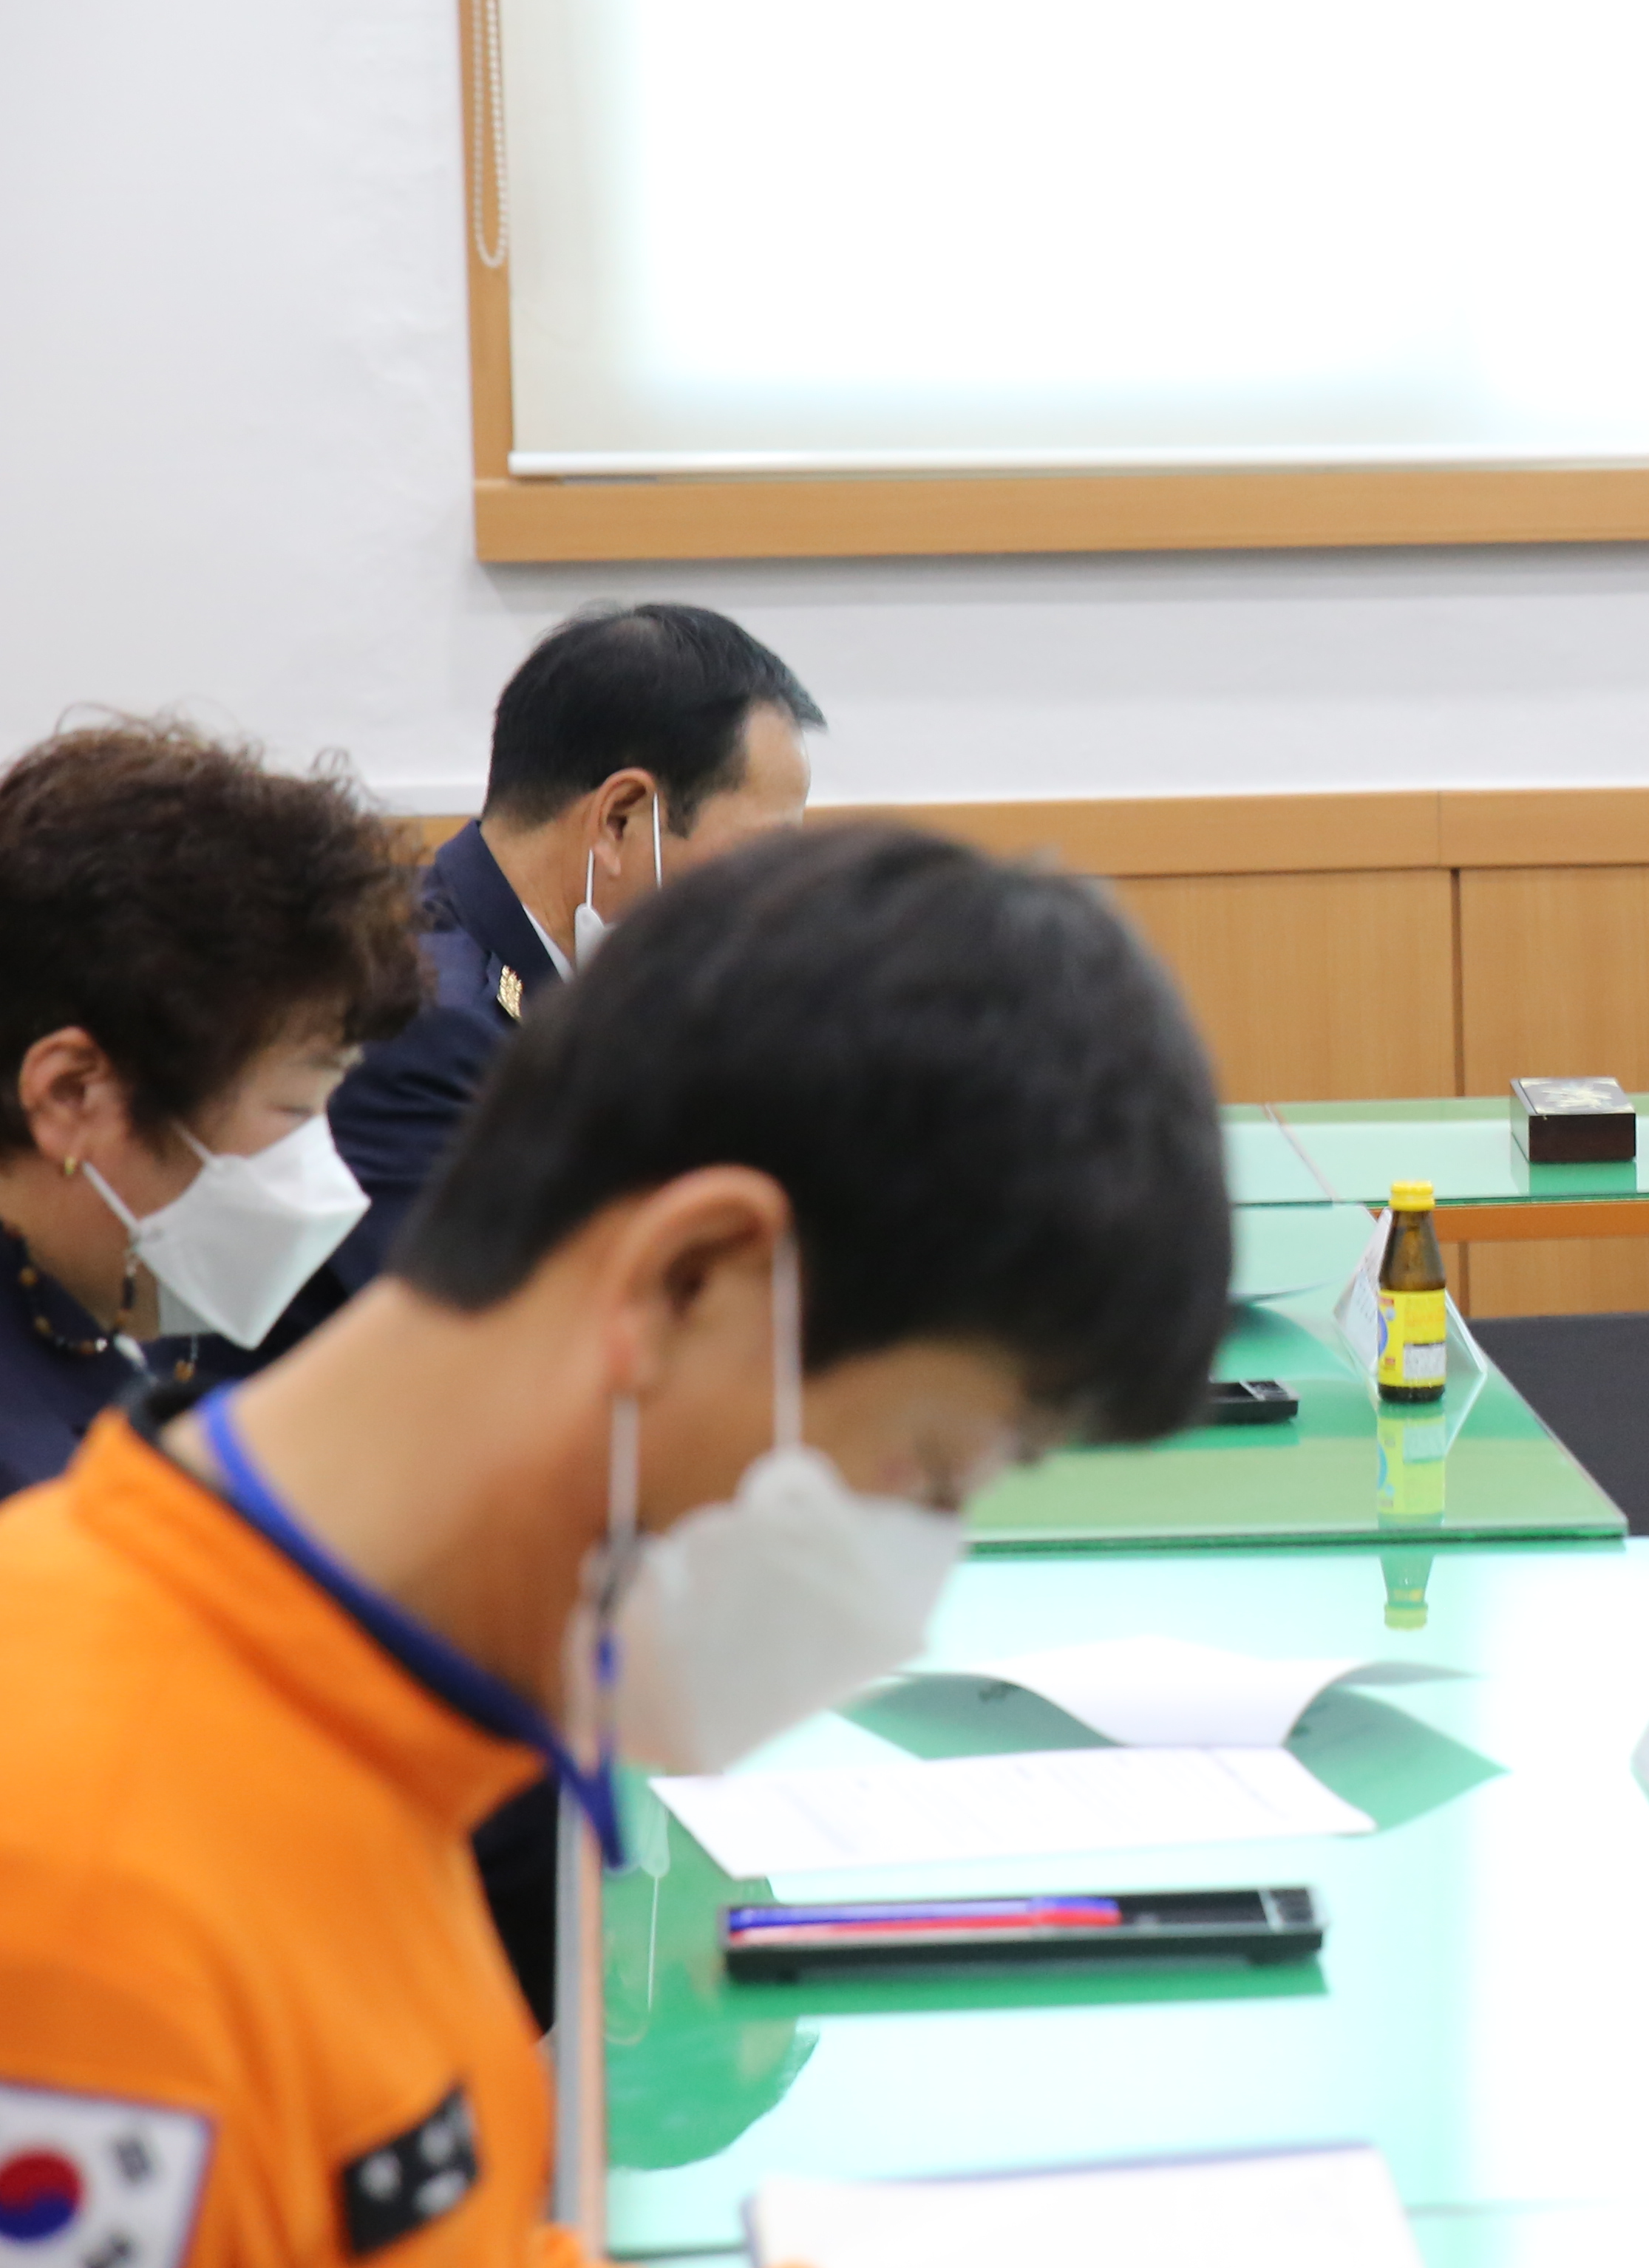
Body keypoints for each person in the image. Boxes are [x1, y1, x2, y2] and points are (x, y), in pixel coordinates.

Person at [0, 823, 1228, 2268]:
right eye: (932, 1467)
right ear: (690, 1278)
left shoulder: (383, 1708)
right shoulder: (89, 1884)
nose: (915, 1574)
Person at [284, 602, 821, 1352]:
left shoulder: (547, 977)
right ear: (620, 818)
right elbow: (482, 1341)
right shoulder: (427, 1015)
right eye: (759, 855)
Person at [0, 723, 421, 1491]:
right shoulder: (30, 1490)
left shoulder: (97, 1312)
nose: (329, 1178)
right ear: (71, 1095)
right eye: (293, 1110)